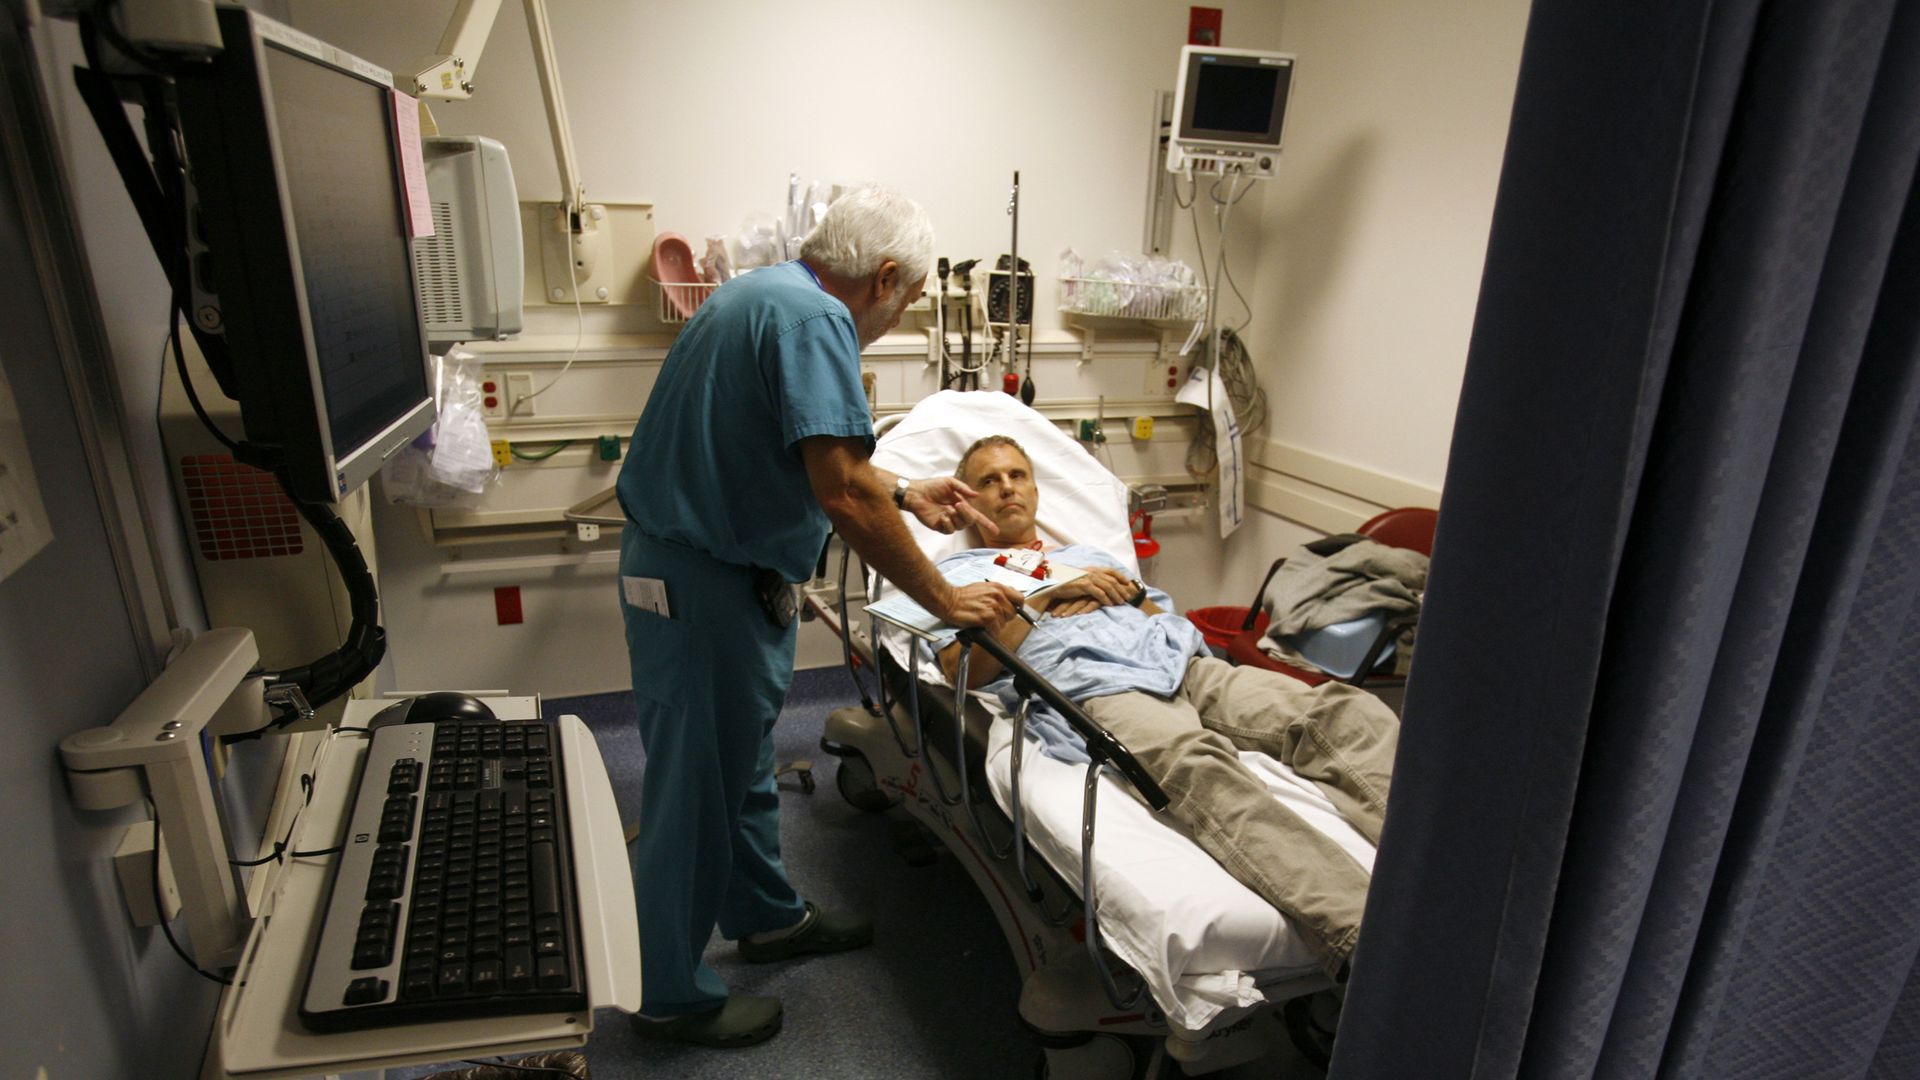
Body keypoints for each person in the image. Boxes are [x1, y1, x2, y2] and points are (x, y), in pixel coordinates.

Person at [615, 189, 1023, 1047]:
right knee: (695, 787)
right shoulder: (816, 323)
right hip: (703, 587)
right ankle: (671, 996)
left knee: (740, 767)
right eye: (906, 303)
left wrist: (907, 492)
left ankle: (766, 915)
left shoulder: (762, 294)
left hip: (714, 574)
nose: (897, 318)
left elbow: (802, 451)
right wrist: (944, 600)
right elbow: (840, 489)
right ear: (883, 278)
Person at [931, 435, 1400, 976]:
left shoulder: (1088, 556)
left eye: (1016, 475)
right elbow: (960, 668)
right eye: (989, 480)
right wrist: (1047, 597)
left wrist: (1126, 594)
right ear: (966, 501)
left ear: (1035, 488)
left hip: (1183, 664)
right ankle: (1367, 935)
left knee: (1341, 711)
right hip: (1100, 684)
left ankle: (1435, 871)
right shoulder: (963, 577)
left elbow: (1157, 614)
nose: (1007, 487)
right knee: (1197, 763)